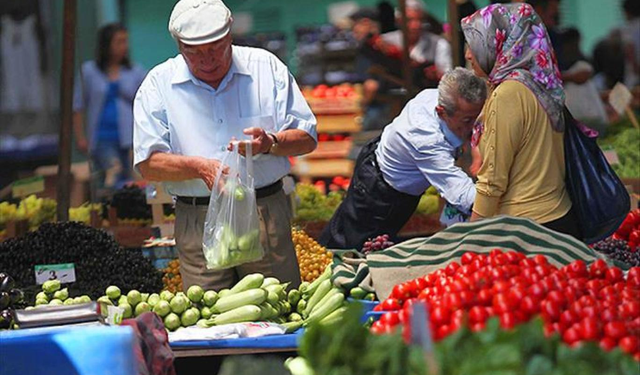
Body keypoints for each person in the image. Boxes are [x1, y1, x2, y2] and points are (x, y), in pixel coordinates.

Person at [133, 0, 317, 291]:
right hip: (198, 220)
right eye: (194, 52)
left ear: (230, 36)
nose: (207, 60)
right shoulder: (158, 84)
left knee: (279, 307)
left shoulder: (266, 68)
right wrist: (199, 167)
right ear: (179, 46)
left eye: (215, 48)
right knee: (210, 320)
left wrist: (270, 143)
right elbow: (148, 164)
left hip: (264, 213)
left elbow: (307, 137)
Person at [319, 68, 486, 250]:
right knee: (352, 246)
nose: (474, 126)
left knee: (353, 232)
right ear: (441, 112)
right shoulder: (425, 138)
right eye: (467, 121)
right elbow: (463, 195)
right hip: (380, 191)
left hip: (382, 162)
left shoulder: (437, 96)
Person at [462, 3, 581, 239]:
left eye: (475, 43)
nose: (467, 54)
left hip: (526, 229)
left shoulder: (507, 94)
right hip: (557, 216)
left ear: (501, 43)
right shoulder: (540, 84)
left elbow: (492, 182)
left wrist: (469, 239)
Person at [73, 23, 147, 194]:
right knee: (112, 174)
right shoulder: (89, 71)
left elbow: (147, 101)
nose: (124, 47)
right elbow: (78, 105)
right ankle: (111, 213)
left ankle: (129, 216)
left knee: (134, 180)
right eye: (119, 42)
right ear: (107, 44)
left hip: (130, 137)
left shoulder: (135, 71)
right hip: (101, 136)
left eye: (125, 42)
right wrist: (80, 137)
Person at [381, 0, 453, 84]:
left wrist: (436, 73)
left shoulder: (439, 44)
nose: (415, 25)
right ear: (398, 21)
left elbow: (448, 78)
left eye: (419, 20)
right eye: (409, 20)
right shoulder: (385, 41)